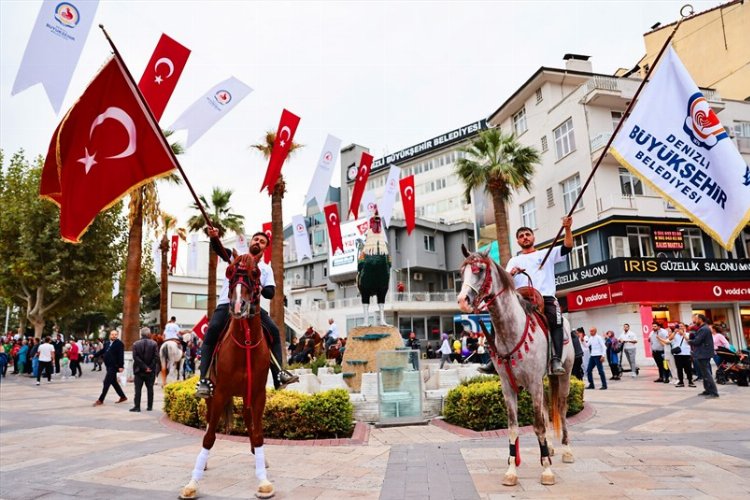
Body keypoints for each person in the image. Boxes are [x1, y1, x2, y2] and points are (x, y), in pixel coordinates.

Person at [195, 229, 297, 398]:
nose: (258, 242)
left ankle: (279, 373)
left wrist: (258, 283)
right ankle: (204, 380)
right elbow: (220, 250)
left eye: (262, 241)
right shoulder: (237, 258)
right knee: (211, 332)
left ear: (265, 247)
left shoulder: (265, 269)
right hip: (227, 305)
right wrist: (214, 238)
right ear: (251, 243)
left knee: (274, 330)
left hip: (252, 308)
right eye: (256, 239)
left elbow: (270, 292)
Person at [479, 216, 573, 375]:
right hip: (520, 299)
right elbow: (505, 281)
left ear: (533, 237)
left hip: (545, 298)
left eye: (527, 234)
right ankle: (494, 359)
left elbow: (567, 247)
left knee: (556, 320)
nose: (525, 238)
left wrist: (567, 228)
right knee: (498, 319)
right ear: (518, 241)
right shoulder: (514, 260)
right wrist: (511, 273)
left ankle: (556, 359)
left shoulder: (546, 253)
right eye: (521, 236)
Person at [93, 330, 127, 406]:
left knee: (106, 382)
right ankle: (123, 396)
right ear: (110, 335)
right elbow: (102, 351)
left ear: (117, 335)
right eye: (112, 334)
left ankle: (101, 399)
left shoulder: (119, 344)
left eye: (115, 334)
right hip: (108, 365)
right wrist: (94, 355)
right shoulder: (107, 343)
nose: (114, 336)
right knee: (113, 382)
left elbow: (121, 355)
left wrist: (121, 366)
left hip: (114, 366)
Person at [688, 314, 719, 398]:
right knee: (704, 373)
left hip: (703, 354)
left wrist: (689, 340)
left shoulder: (704, 329)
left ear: (700, 319)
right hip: (703, 353)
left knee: (706, 373)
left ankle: (714, 392)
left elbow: (697, 341)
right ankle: (707, 390)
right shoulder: (703, 328)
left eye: (696, 319)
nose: (694, 321)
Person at [131, 327, 159, 412]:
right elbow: (156, 357)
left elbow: (135, 357)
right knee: (150, 389)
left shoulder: (135, 344)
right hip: (150, 372)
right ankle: (149, 406)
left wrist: (144, 367)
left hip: (139, 370)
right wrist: (149, 367)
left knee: (138, 390)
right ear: (149, 334)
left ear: (141, 334)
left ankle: (137, 407)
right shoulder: (154, 343)